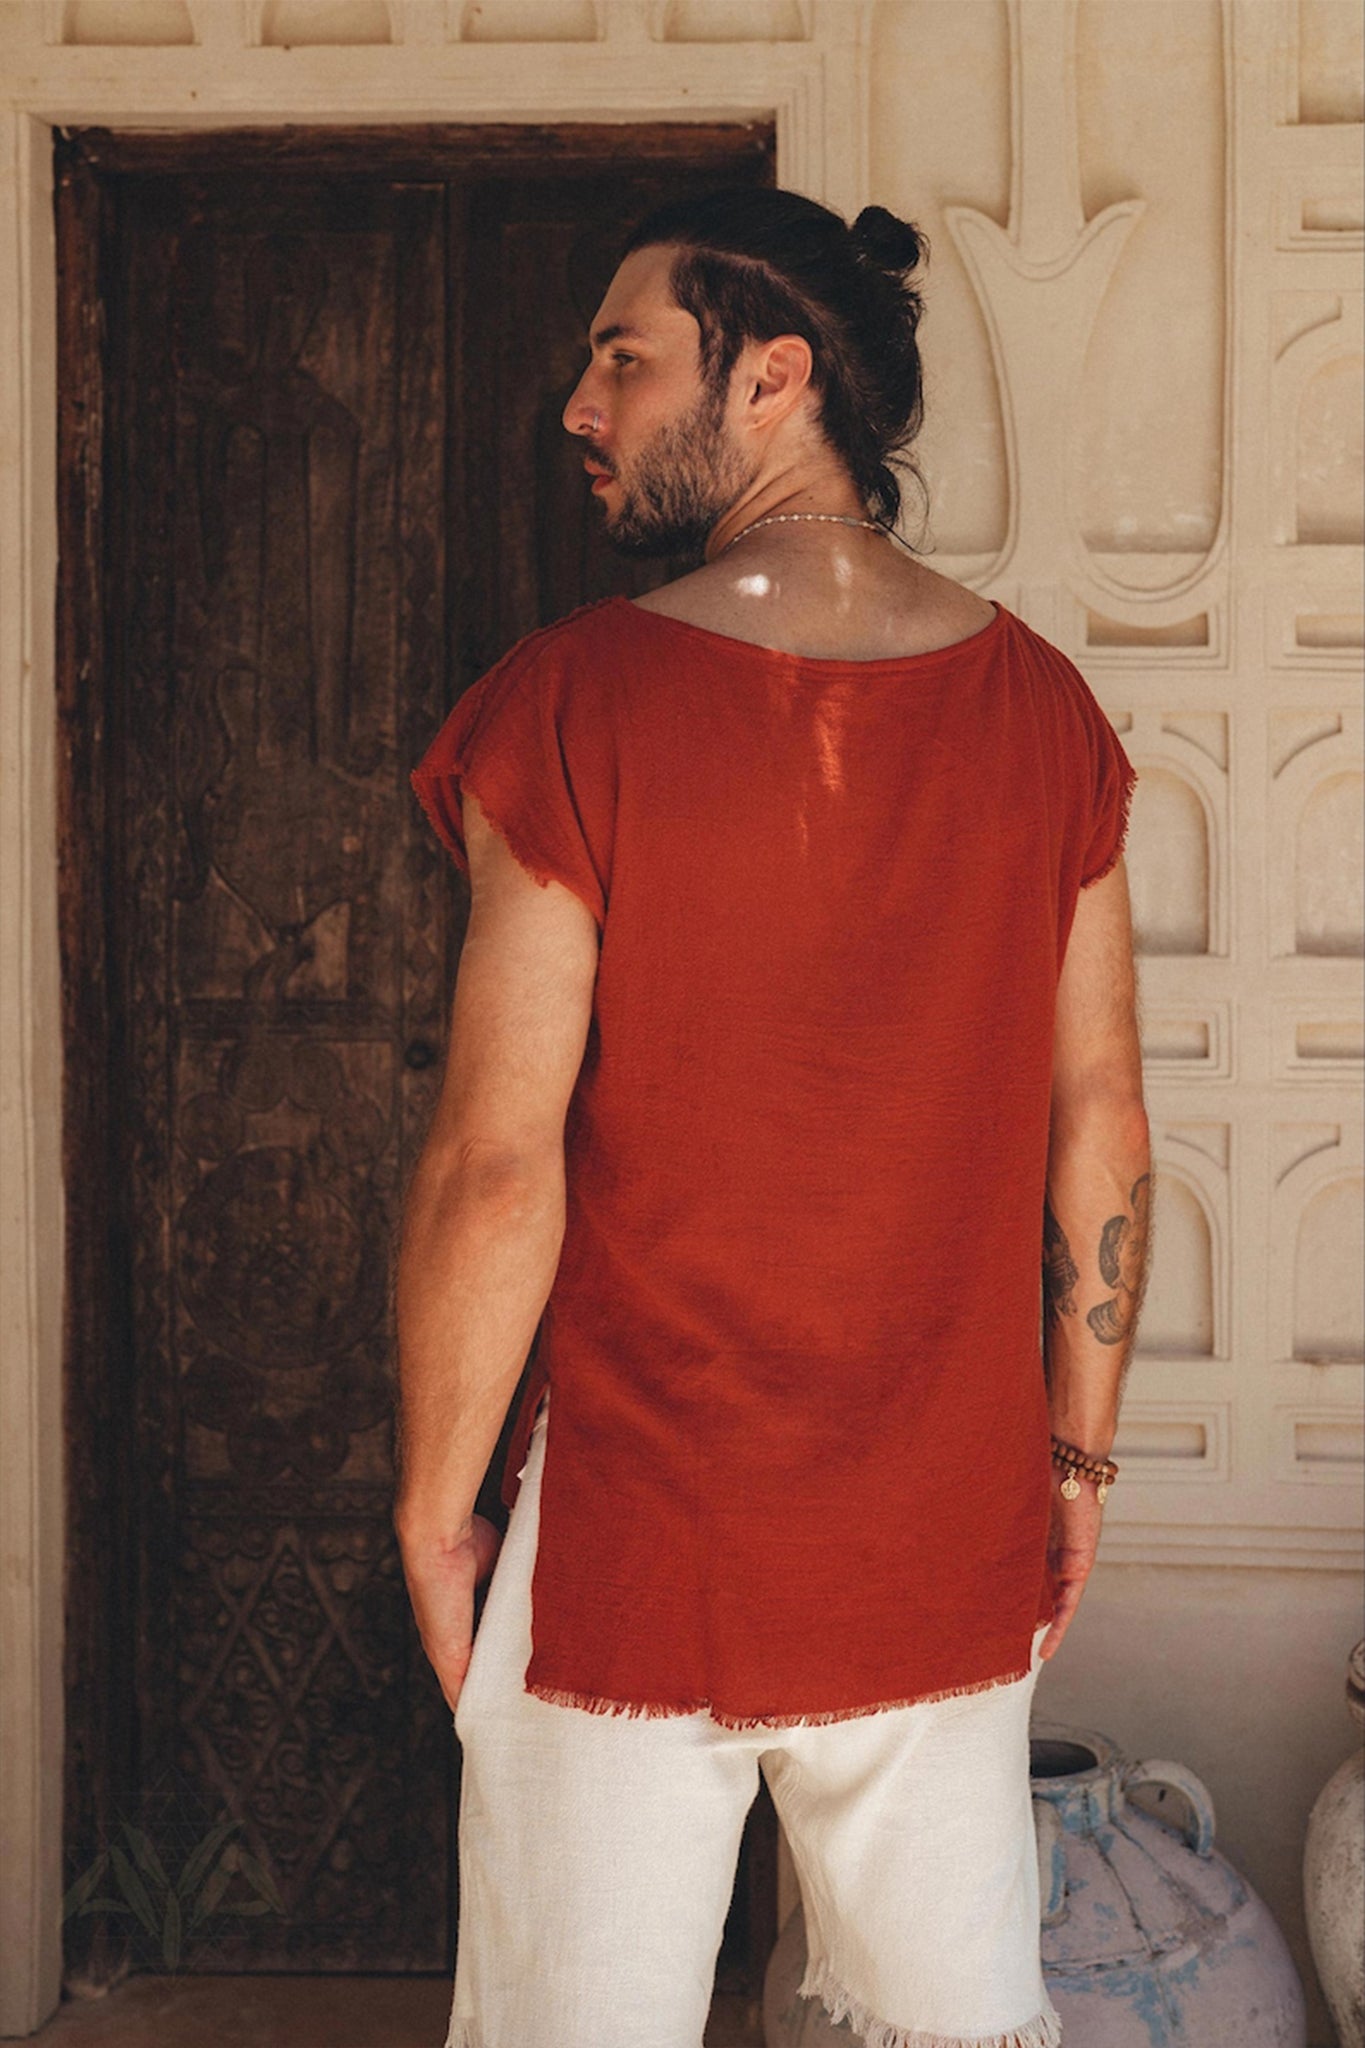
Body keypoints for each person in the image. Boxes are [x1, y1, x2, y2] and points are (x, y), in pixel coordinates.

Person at [395, 186, 1150, 2048]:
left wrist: (434, 1503)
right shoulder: (1045, 714)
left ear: (774, 377)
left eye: (623, 358)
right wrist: (1072, 1467)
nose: (579, 406)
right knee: (958, 2026)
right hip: (939, 1522)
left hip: (641, 1538)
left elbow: (499, 1164)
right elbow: (1107, 1131)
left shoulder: (575, 703)